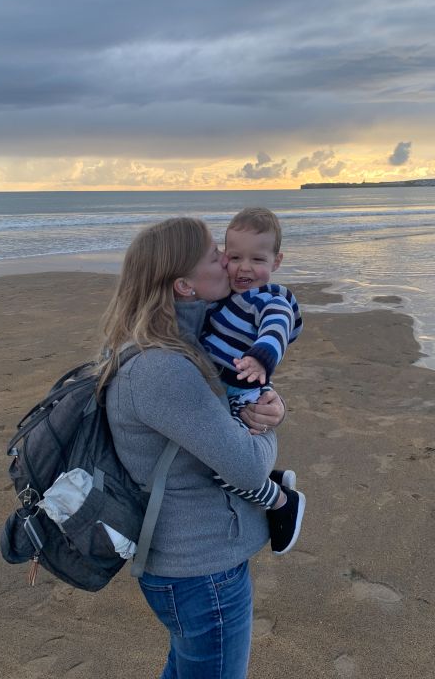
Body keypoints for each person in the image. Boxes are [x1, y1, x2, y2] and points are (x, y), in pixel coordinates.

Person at [101, 217, 287, 679]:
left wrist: (267, 411)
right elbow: (246, 468)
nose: (227, 261)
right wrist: (266, 432)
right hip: (201, 571)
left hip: (189, 563)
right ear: (184, 285)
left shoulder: (182, 344)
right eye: (214, 256)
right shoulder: (163, 367)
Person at [200, 208, 306, 555]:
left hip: (245, 391)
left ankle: (279, 501)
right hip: (221, 390)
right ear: (223, 256)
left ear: (276, 261)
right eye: (235, 257)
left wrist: (262, 357)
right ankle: (269, 480)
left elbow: (277, 326)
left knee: (222, 466)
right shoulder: (223, 297)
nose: (245, 268)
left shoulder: (270, 298)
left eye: (257, 258)